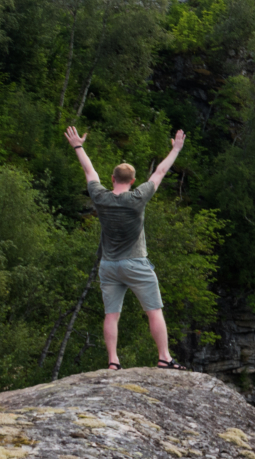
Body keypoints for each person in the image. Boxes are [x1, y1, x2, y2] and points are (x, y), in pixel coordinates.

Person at [65, 125, 187, 371]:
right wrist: (176, 149)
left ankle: (113, 361)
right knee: (154, 311)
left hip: (109, 265)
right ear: (132, 181)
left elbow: (89, 171)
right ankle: (164, 357)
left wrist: (78, 146)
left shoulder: (100, 197)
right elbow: (161, 171)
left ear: (112, 179)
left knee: (111, 314)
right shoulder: (137, 198)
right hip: (135, 263)